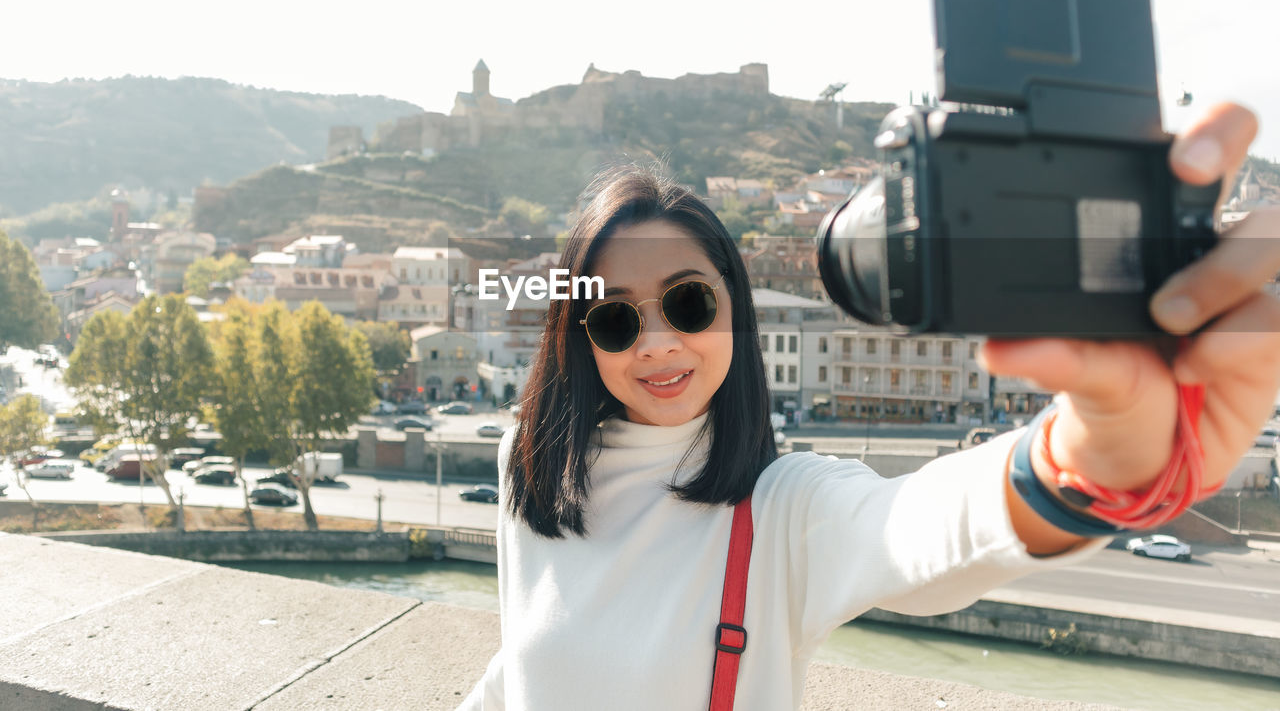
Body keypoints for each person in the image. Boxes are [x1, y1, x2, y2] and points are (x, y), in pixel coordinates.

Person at [461, 103, 1279, 710]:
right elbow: (518, 676)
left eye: (688, 304)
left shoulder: (782, 508)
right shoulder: (526, 468)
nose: (655, 343)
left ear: (735, 311)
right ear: (581, 336)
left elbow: (917, 533)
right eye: (614, 317)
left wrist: (1085, 455)